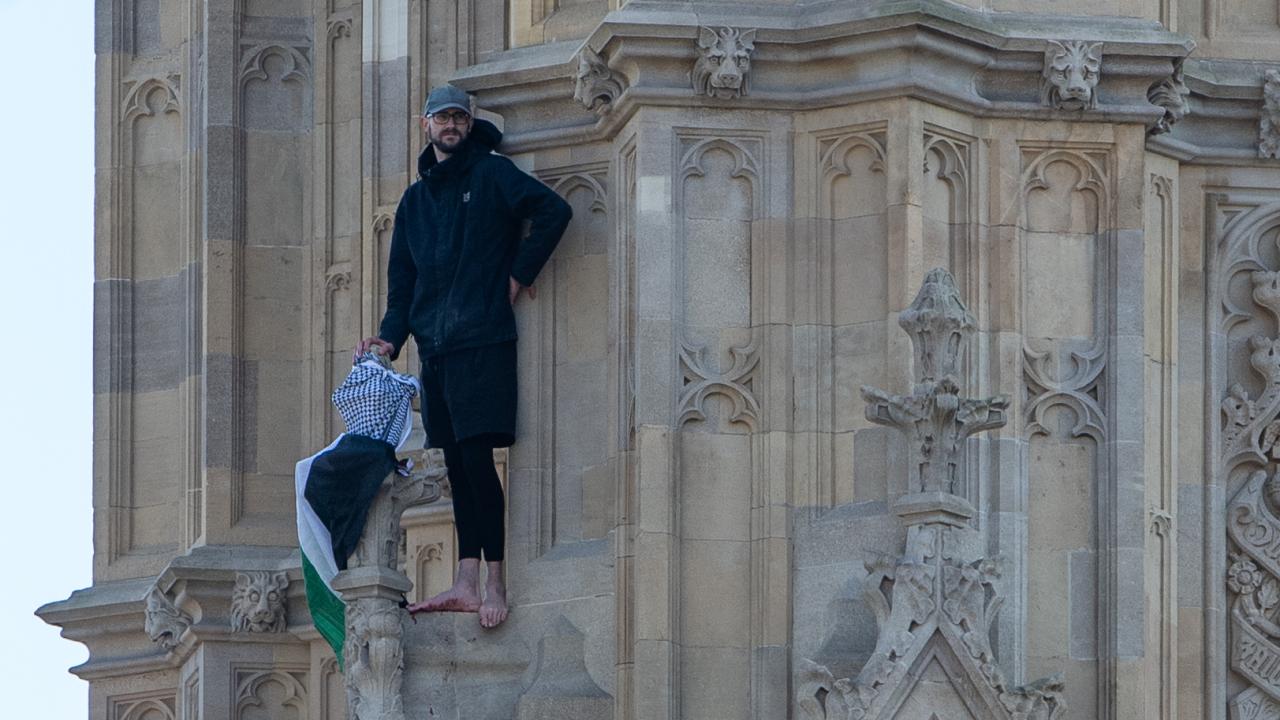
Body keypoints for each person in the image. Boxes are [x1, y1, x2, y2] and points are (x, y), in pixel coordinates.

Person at [355, 85, 572, 628]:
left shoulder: (493, 175)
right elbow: (401, 286)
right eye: (441, 117)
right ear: (423, 125)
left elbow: (553, 210)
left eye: (458, 117)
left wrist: (520, 272)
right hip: (436, 350)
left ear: (469, 124)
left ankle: (494, 582)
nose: (450, 125)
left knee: (476, 461)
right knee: (456, 465)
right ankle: (465, 580)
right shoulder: (414, 201)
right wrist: (388, 339)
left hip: (484, 341)